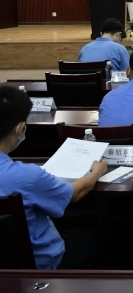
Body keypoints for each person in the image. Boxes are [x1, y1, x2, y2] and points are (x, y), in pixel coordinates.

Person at [0, 85, 107, 269]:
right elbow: (75, 194)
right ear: (20, 129)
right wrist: (97, 171)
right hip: (41, 263)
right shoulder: (28, 176)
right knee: (99, 235)